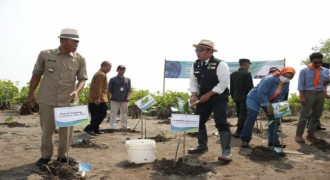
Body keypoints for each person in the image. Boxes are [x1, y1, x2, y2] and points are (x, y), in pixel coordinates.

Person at [27, 28, 88, 166]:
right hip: (47, 98)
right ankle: (46, 155)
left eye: (77, 41)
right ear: (62, 41)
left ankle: (63, 156)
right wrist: (30, 94)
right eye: (74, 41)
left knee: (66, 131)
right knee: (47, 130)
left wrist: (77, 91)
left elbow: (83, 79)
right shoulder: (45, 54)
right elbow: (36, 75)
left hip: (68, 100)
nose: (76, 44)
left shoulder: (80, 59)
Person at [188, 39, 232, 162]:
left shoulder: (220, 64)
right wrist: (193, 95)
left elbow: (224, 84)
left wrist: (209, 94)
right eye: (196, 50)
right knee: (198, 121)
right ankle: (202, 145)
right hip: (203, 98)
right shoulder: (195, 65)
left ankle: (226, 152)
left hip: (219, 97)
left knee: (221, 122)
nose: (197, 52)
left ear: (209, 51)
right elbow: (193, 82)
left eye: (200, 50)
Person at [240, 67, 295, 148]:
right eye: (285, 75)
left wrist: (280, 110)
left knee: (274, 119)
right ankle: (245, 140)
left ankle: (273, 141)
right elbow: (261, 94)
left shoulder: (286, 83)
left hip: (270, 100)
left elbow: (282, 96)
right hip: (254, 98)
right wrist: (268, 106)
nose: (287, 78)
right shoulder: (269, 79)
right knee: (252, 116)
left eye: (290, 77)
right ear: (281, 73)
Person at [295, 52, 329, 143]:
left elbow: (324, 83)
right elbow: (300, 85)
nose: (318, 64)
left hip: (320, 94)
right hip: (308, 94)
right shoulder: (304, 71)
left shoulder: (326, 71)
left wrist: (327, 82)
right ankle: (298, 135)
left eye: (320, 62)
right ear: (311, 61)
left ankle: (310, 134)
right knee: (304, 116)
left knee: (316, 115)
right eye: (315, 62)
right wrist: (302, 96)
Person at [83, 61, 112, 136]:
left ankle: (95, 129)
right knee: (102, 113)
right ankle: (89, 128)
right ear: (103, 66)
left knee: (95, 114)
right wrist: (97, 98)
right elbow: (98, 87)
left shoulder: (100, 74)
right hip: (99, 98)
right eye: (109, 67)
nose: (110, 69)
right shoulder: (101, 74)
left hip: (93, 98)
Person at [230, 59, 254, 138]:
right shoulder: (247, 74)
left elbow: (231, 88)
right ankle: (239, 131)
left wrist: (233, 97)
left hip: (236, 98)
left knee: (240, 114)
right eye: (248, 64)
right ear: (245, 64)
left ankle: (240, 130)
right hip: (245, 98)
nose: (249, 66)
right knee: (243, 114)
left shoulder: (233, 74)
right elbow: (250, 88)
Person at [108, 65, 131, 129]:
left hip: (124, 99)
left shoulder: (128, 80)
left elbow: (129, 90)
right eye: (120, 69)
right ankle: (113, 126)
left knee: (124, 113)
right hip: (115, 99)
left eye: (123, 70)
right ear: (117, 70)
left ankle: (124, 125)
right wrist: (109, 97)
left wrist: (128, 97)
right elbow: (109, 89)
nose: (122, 71)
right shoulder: (113, 79)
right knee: (113, 113)